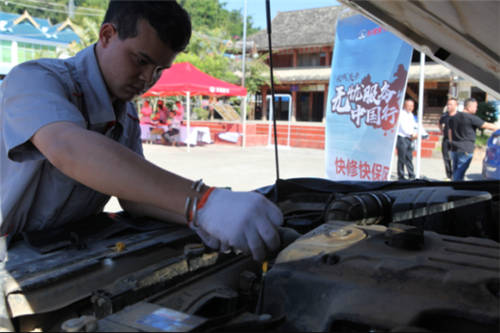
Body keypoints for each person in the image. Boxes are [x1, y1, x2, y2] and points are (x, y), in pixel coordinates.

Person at [0, 0, 282, 262]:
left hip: (56, 255)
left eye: (159, 69)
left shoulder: (126, 113)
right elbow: (68, 148)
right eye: (140, 60)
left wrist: (195, 217)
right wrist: (203, 202)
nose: (149, 79)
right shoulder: (35, 79)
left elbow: (133, 198)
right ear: (107, 35)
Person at [448, 98, 498, 181]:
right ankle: (455, 190)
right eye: (475, 106)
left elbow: (450, 131)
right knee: (459, 173)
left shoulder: (454, 117)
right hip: (466, 149)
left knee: (456, 171)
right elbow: (487, 126)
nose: (476, 109)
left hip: (454, 148)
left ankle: (454, 187)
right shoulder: (471, 118)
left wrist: (451, 142)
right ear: (469, 107)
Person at [396, 99, 418, 180]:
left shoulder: (411, 115)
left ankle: (411, 174)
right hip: (402, 138)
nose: (410, 107)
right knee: (402, 157)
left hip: (410, 138)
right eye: (408, 105)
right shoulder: (401, 114)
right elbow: (403, 126)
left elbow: (413, 125)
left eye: (412, 106)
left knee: (409, 157)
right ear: (404, 105)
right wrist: (411, 134)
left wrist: (415, 133)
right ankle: (401, 175)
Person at [438, 98, 458, 179]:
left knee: (456, 159)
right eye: (448, 104)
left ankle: (456, 176)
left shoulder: (459, 116)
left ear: (455, 105)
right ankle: (449, 176)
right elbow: (439, 123)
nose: (448, 106)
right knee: (446, 159)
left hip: (456, 140)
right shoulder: (444, 115)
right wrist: (442, 131)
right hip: (446, 139)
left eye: (451, 104)